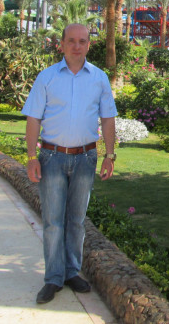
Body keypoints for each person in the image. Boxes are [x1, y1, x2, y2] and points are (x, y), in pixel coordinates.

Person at [22, 23, 118, 304]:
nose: (77, 46)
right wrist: (31, 157)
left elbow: (108, 119)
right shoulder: (47, 77)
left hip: (86, 159)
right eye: (72, 41)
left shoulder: (99, 78)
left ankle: (71, 272)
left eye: (82, 41)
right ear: (62, 44)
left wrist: (109, 155)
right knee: (53, 222)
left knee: (76, 220)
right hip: (52, 158)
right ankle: (53, 278)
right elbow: (33, 119)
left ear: (89, 45)